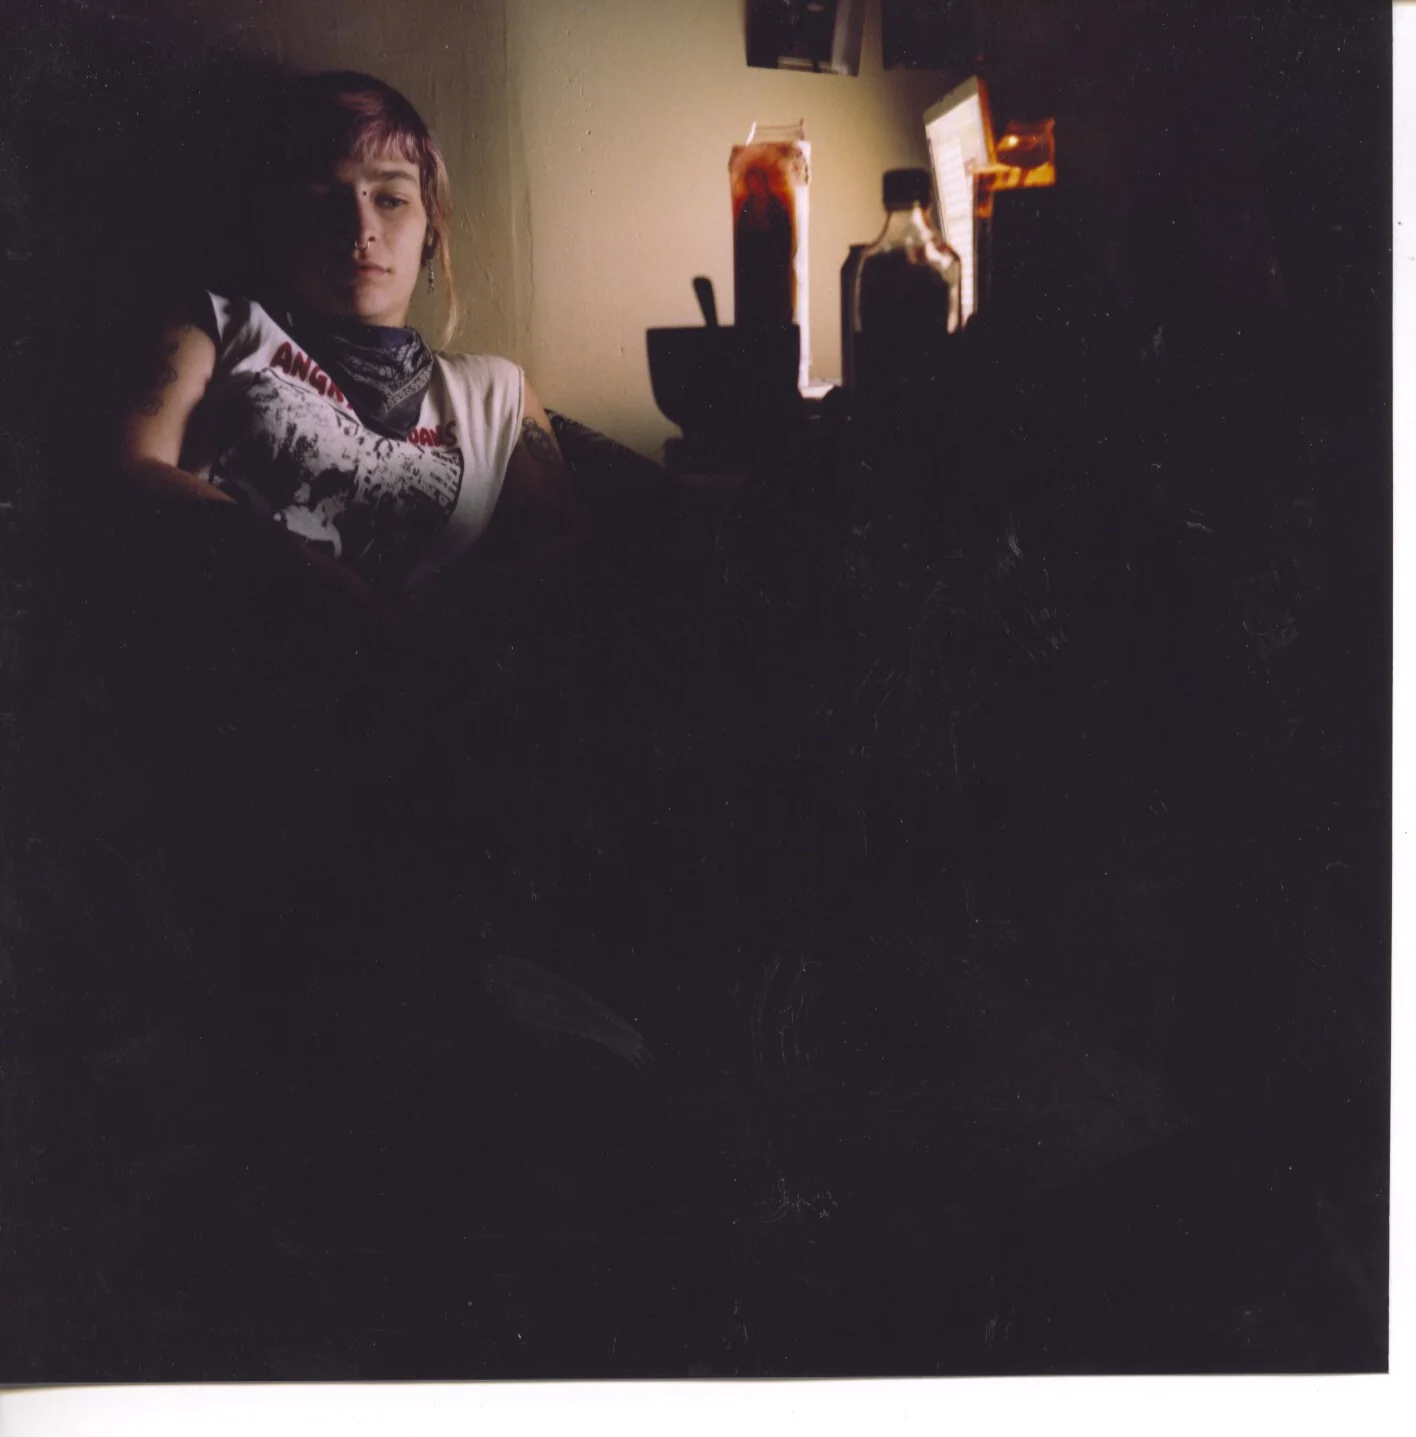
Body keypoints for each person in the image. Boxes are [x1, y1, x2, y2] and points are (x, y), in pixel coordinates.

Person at [116, 70, 589, 646]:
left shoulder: (496, 394)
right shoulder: (214, 326)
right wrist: (313, 579)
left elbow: (568, 563)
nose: (361, 228)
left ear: (431, 230)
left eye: (391, 199)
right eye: (324, 199)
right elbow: (134, 471)